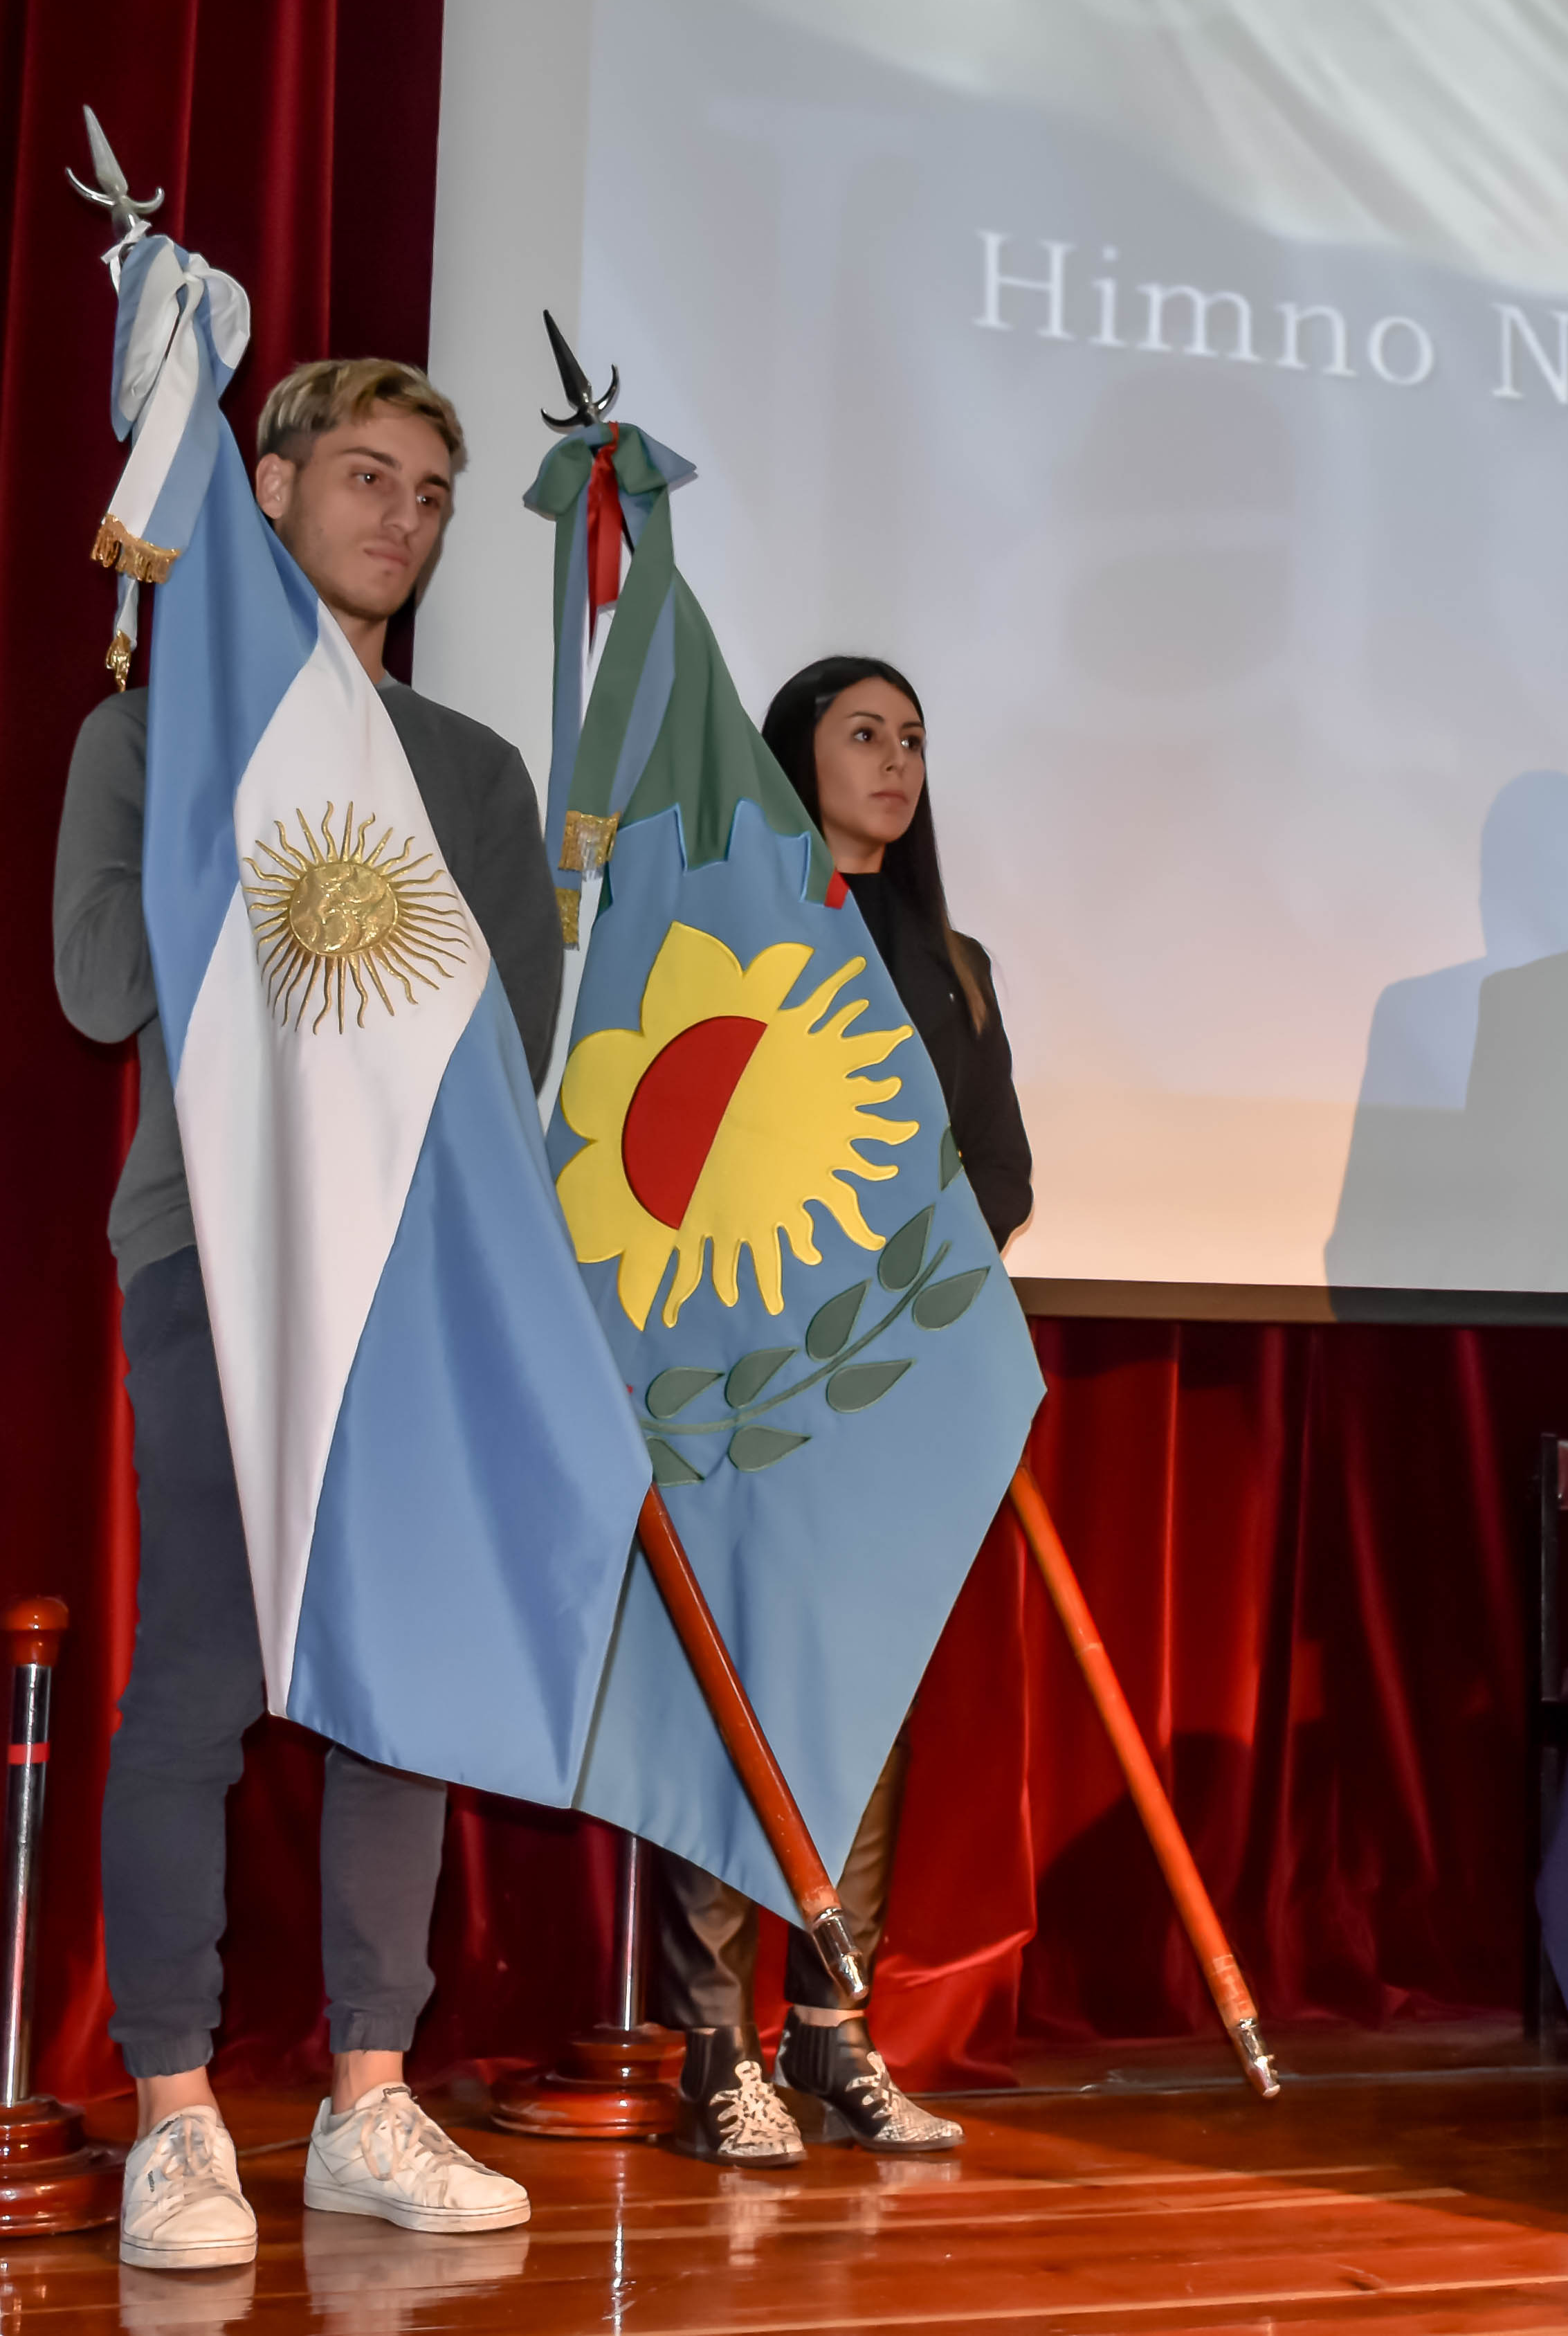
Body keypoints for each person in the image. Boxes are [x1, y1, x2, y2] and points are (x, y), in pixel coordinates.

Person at [54, 360, 553, 2270]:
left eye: (430, 492)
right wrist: (239, 824)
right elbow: (97, 982)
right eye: (364, 475)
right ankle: (176, 2111)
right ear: (266, 489)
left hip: (412, 1279)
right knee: (198, 1672)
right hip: (213, 1252)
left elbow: (506, 1048)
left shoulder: (473, 772)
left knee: (392, 1688)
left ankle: (368, 2094)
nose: (399, 518)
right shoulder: (149, 736)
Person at [646, 655, 1028, 2165]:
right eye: (863, 733)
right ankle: (711, 2046)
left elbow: (1000, 1174)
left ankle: (830, 2030)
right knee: (736, 1702)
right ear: (791, 756)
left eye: (913, 739)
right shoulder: (734, 932)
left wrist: (900, 1284)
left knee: (863, 1707)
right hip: (751, 1378)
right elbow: (683, 1146)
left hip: (891, 1381)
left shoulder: (956, 961)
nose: (895, 762)